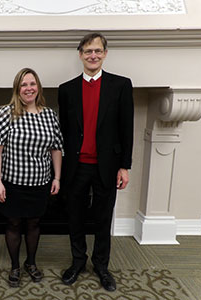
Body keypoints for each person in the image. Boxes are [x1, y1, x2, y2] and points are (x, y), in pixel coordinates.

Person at [58, 33, 134, 291]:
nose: (93, 55)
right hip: (76, 167)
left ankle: (102, 266)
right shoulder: (66, 90)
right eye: (88, 51)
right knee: (75, 218)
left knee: (103, 219)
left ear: (105, 54)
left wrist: (125, 166)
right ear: (80, 54)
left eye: (98, 51)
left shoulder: (121, 86)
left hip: (107, 166)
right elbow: (65, 131)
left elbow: (127, 129)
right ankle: (78, 261)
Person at [0, 68, 63, 287]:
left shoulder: (49, 115)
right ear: (17, 89)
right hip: (13, 183)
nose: (28, 88)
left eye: (32, 84)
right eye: (23, 85)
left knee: (34, 223)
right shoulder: (6, 112)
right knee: (13, 224)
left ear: (38, 87)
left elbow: (56, 148)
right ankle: (15, 266)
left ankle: (31, 263)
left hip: (40, 182)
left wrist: (57, 178)